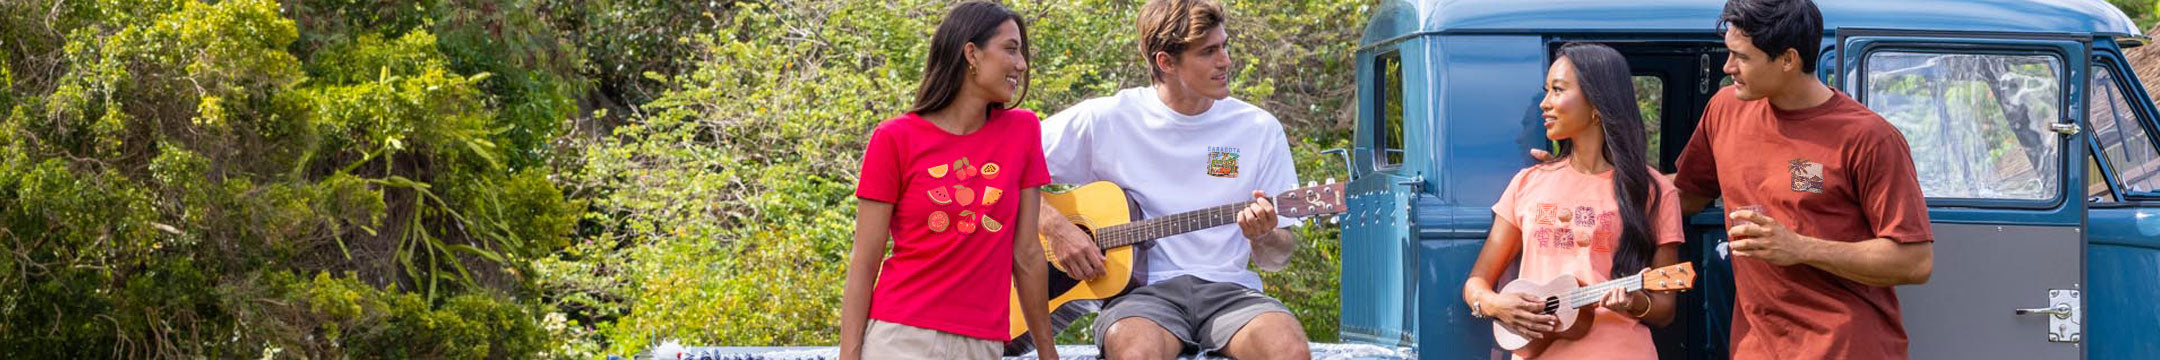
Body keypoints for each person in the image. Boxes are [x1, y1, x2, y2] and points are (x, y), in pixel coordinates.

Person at [1034, 0, 1309, 358]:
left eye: (1224, 46)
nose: (1225, 61)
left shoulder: (1258, 129)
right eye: (1209, 52)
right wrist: (1057, 227)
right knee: (1135, 351)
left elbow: (1277, 257)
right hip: (1141, 298)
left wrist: (1265, 236)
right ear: (1165, 62)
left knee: (1289, 348)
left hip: (1231, 293)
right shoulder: (1107, 118)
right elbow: (999, 166)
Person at [1680, 0, 1935, 358]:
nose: (1728, 67)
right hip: (1756, 347)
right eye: (1728, 53)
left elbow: (1914, 261)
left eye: (1743, 57)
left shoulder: (1868, 137)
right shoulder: (1725, 110)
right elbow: (1685, 196)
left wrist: (1799, 247)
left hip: (1846, 346)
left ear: (1788, 59)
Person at [839, 2, 1058, 359]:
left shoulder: (1023, 132)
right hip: (900, 338)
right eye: (1011, 49)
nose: (1022, 64)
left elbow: (1028, 254)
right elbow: (865, 262)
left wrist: (1049, 353)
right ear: (971, 53)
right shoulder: (895, 138)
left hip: (983, 343)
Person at [1462, 43, 1684, 360]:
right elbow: (1476, 281)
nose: (1544, 103)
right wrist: (1498, 305)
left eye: (1557, 90)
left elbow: (1665, 309)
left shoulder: (1654, 191)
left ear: (1597, 103)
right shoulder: (1527, 183)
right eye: (1546, 91)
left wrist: (1633, 302)